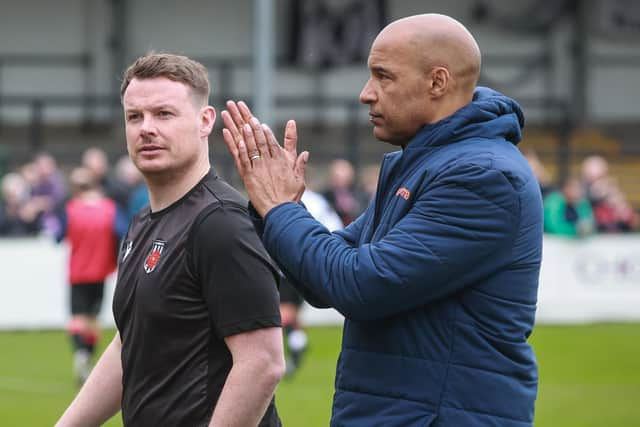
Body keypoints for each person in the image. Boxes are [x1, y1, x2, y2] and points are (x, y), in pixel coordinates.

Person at [223, 13, 543, 427]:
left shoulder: (482, 177)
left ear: (437, 82)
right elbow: (327, 278)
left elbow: (358, 284)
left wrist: (281, 208)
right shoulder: (423, 165)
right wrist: (277, 208)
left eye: (383, 77)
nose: (365, 94)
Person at [56, 53, 285, 427]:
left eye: (164, 114)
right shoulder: (142, 223)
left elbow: (262, 363)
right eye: (135, 116)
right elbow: (130, 344)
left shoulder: (221, 222)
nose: (147, 128)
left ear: (204, 121)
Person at [55, 166, 127, 384]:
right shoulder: (109, 209)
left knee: (77, 318)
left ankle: (80, 353)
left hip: (77, 272)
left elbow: (58, 235)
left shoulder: (71, 210)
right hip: (100, 271)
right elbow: (122, 231)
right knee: (93, 319)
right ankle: (87, 354)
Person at [280, 188, 343, 377]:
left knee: (283, 311)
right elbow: (336, 226)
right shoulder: (317, 200)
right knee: (292, 312)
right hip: (313, 262)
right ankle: (298, 342)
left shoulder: (288, 198)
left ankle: (297, 348)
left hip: (293, 263)